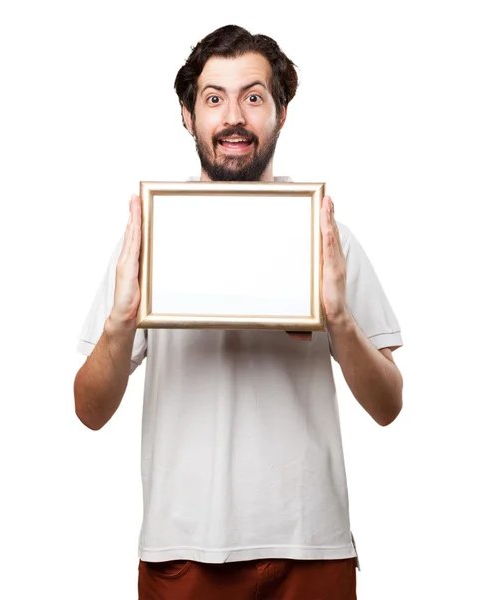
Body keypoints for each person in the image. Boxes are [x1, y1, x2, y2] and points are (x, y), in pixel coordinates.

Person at [74, 24, 403, 600]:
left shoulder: (329, 236)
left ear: (280, 113)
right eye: (213, 98)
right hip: (184, 552)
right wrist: (120, 322)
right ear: (187, 114)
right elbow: (90, 410)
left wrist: (341, 323)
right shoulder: (146, 238)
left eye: (254, 97)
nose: (234, 117)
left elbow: (388, 406)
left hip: (312, 546)